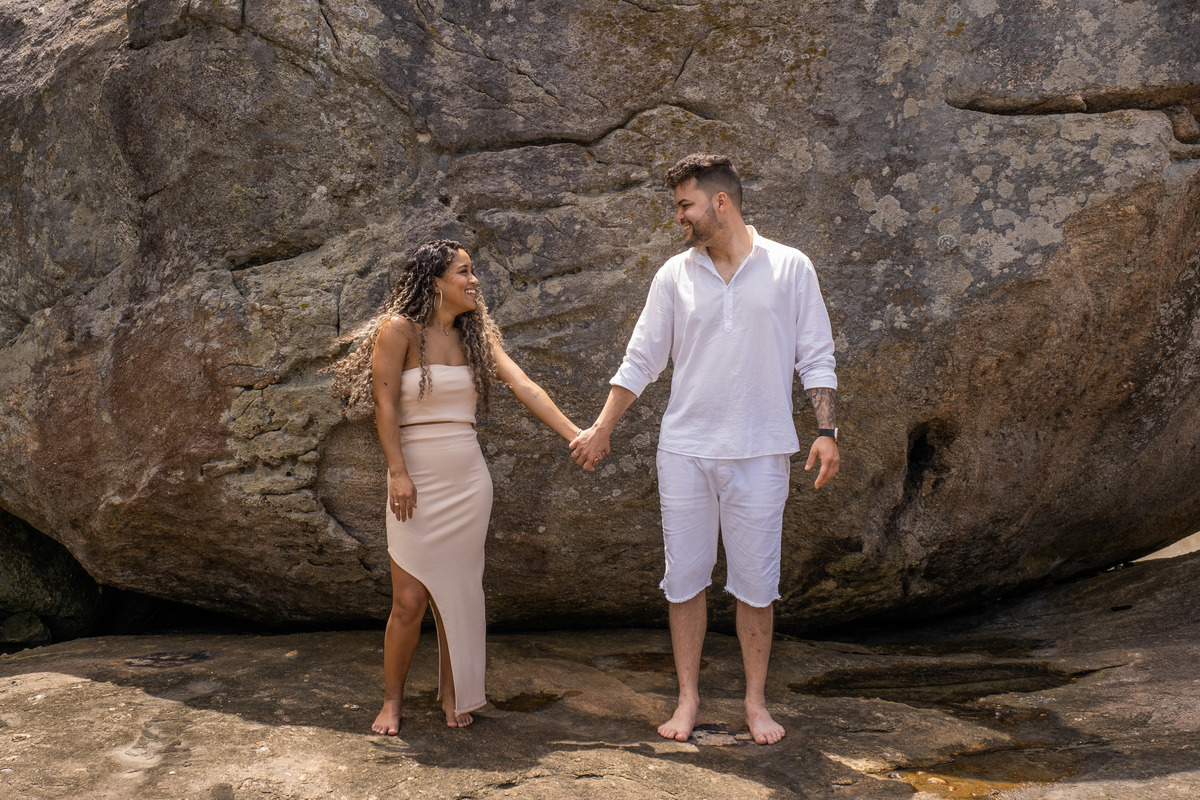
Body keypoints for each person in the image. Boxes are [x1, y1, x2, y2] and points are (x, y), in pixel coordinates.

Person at [569, 154, 840, 746]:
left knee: (756, 584)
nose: (679, 217)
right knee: (685, 579)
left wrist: (827, 432)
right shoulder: (674, 275)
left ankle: (754, 702)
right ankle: (688, 699)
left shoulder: (791, 268)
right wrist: (602, 427)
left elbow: (815, 355)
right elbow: (642, 358)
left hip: (763, 452)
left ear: (721, 202)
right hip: (686, 450)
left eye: (684, 204)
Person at [327, 239, 581, 732]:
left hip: (467, 478)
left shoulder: (476, 337)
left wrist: (577, 436)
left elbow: (526, 385)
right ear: (435, 281)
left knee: (459, 591)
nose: (474, 280)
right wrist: (397, 472)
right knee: (410, 601)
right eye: (464, 272)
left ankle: (454, 693)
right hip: (416, 476)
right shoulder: (398, 330)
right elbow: (385, 408)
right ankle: (392, 702)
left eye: (474, 271)